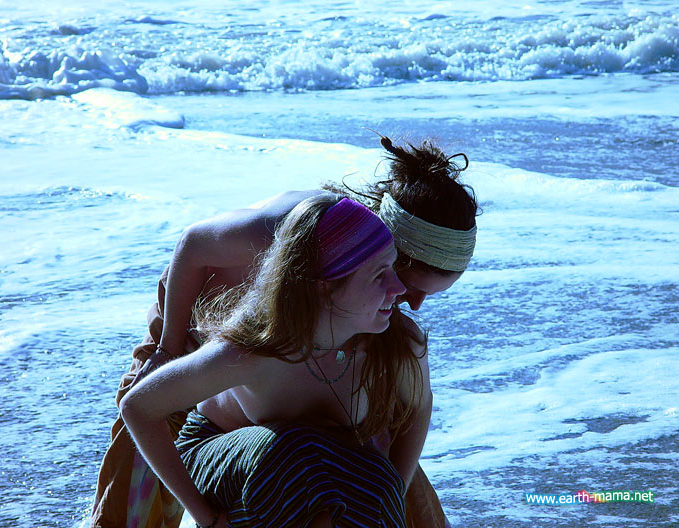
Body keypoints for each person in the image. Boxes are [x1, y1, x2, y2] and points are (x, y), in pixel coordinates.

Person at [90, 136, 478, 527]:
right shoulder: (294, 232)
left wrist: (392, 488)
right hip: (195, 304)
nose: (412, 303)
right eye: (409, 284)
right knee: (145, 445)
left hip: (308, 325)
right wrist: (168, 349)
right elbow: (192, 244)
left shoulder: (375, 309)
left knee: (369, 469)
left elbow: (412, 412)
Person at [121, 195, 427, 527]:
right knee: (297, 455)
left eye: (393, 267)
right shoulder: (256, 349)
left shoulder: (398, 345)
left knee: (373, 481)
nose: (400, 289)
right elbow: (138, 407)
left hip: (312, 466)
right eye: (379, 276)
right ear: (324, 287)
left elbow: (419, 407)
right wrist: (205, 517)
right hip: (227, 458)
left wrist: (394, 490)